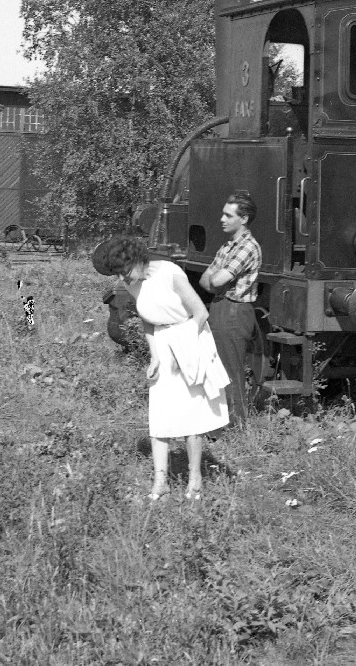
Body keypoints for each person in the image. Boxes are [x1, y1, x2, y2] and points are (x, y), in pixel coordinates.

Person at [103, 236, 229, 501]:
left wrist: (186, 349)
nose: (124, 277)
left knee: (192, 414)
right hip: (163, 342)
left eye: (125, 270)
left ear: (136, 260)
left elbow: (200, 314)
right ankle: (161, 483)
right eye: (119, 273)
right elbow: (148, 321)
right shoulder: (133, 283)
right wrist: (155, 356)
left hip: (189, 337)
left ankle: (194, 481)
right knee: (159, 414)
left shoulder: (171, 274)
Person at [200, 192, 263, 423]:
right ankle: (220, 419)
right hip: (221, 307)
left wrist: (218, 280)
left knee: (231, 369)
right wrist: (218, 280)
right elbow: (205, 280)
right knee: (216, 366)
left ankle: (237, 423)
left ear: (243, 219)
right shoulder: (228, 246)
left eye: (228, 215)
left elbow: (214, 281)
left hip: (235, 312)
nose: (222, 219)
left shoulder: (248, 247)